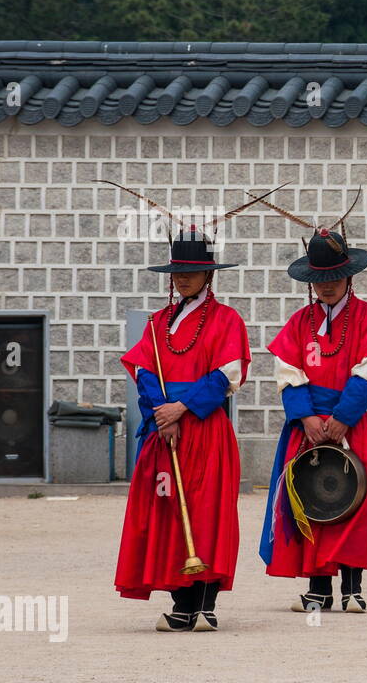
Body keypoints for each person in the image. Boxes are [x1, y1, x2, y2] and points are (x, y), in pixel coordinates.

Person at [104, 179, 255, 632]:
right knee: (168, 511)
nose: (182, 278)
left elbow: (227, 375)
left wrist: (182, 409)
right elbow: (143, 371)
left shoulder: (227, 319)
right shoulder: (157, 323)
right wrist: (160, 412)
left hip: (205, 430)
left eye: (190, 271)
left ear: (209, 274)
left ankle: (203, 600)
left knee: (208, 510)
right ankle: (181, 598)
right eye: (177, 272)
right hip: (165, 430)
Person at [258, 192, 367, 612]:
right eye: (320, 277)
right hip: (307, 427)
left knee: (355, 499)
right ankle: (318, 586)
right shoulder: (300, 322)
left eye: (335, 275)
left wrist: (341, 418)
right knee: (313, 497)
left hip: (350, 424)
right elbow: (287, 371)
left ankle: (352, 587)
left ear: (349, 275)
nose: (328, 283)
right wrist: (306, 419)